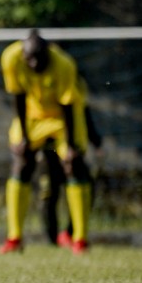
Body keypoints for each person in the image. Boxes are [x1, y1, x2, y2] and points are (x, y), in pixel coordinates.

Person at [0, 30, 91, 255]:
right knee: (21, 162)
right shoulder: (10, 58)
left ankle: (79, 239)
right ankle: (14, 238)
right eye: (30, 58)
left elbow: (68, 105)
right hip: (32, 116)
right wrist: (24, 139)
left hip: (62, 119)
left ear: (49, 52)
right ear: (23, 54)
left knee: (73, 165)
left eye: (40, 57)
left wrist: (69, 145)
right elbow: (18, 96)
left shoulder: (64, 64)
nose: (35, 62)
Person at [37, 84, 102, 248]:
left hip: (70, 146)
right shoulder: (46, 83)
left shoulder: (78, 83)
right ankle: (51, 239)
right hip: (48, 144)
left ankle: (70, 233)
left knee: (86, 186)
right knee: (49, 190)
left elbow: (82, 112)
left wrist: (95, 139)